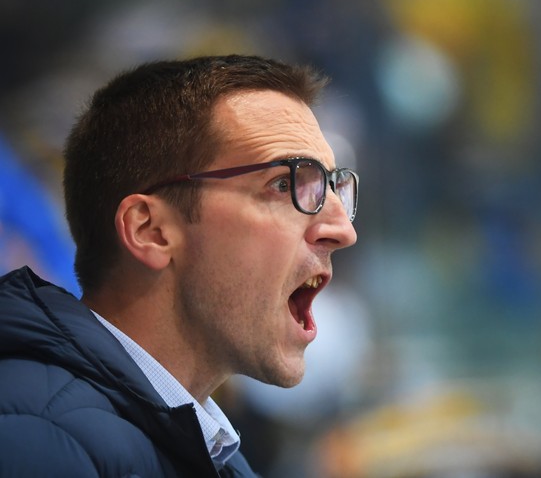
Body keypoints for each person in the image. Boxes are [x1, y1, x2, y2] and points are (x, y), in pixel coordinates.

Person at [0, 55, 359, 476]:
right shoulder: (33, 442)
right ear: (151, 230)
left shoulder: (218, 458)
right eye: (284, 184)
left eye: (334, 188)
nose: (342, 229)